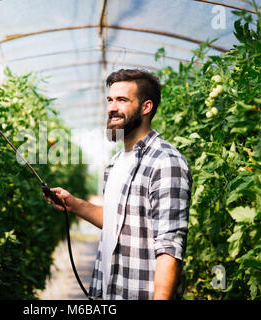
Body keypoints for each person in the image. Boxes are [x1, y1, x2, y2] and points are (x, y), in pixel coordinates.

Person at [43, 69, 192, 300]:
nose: (112, 107)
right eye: (110, 100)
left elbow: (170, 248)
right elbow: (118, 221)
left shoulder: (165, 162)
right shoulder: (114, 164)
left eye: (122, 100)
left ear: (146, 107)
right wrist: (74, 204)